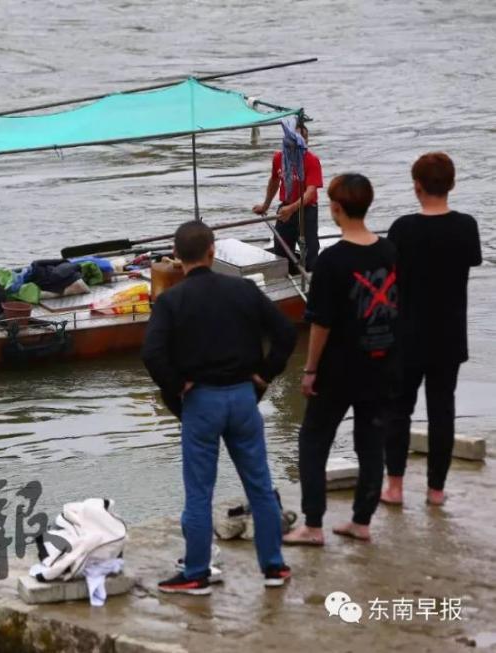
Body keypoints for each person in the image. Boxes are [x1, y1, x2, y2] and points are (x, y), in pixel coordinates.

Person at [142, 221, 296, 595]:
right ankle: (274, 567)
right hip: (244, 397)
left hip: (201, 402)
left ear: (177, 258)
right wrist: (265, 373)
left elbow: (152, 354)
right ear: (213, 251)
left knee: (199, 493)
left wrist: (178, 384)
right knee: (260, 485)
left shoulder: (170, 302)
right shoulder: (243, 289)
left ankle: (196, 572)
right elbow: (286, 333)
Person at [283, 174, 398, 546]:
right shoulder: (391, 251)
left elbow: (321, 323)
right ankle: (361, 522)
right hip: (381, 362)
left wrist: (310, 369)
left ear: (335, 209)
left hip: (336, 369)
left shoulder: (332, 260)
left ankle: (313, 525)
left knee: (314, 441)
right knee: (371, 443)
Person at [382, 153, 482, 507]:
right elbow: (472, 260)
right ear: (451, 185)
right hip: (449, 335)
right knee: (443, 410)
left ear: (417, 186)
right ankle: (435, 490)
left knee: (398, 409)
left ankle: (394, 486)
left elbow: (387, 274)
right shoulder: (466, 226)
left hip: (406, 334)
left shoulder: (402, 229)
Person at [252, 121, 324, 272]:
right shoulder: (279, 158)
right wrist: (265, 206)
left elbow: (310, 193)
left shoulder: (311, 160)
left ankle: (311, 279)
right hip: (285, 207)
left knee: (310, 249)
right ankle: (288, 277)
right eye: (297, 138)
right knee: (281, 248)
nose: (300, 142)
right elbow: (274, 181)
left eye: (304, 138)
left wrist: (292, 209)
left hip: (306, 209)